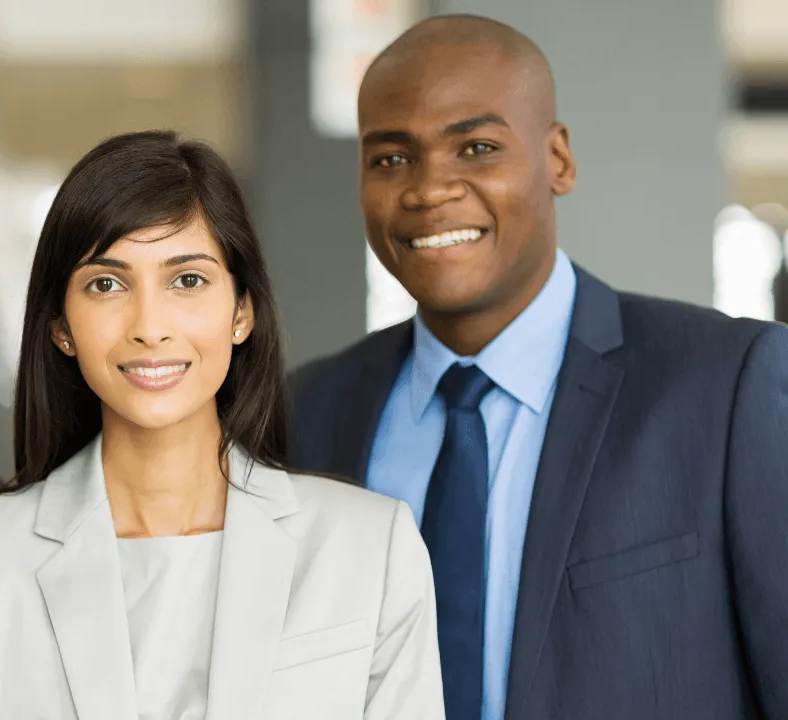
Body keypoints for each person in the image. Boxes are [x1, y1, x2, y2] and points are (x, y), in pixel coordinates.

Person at [288, 14, 788, 720]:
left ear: (558, 160)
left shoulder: (728, 385)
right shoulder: (310, 410)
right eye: (391, 159)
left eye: (477, 147)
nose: (429, 188)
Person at [0, 130, 444, 719]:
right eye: (106, 284)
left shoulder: (369, 546)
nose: (150, 326)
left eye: (187, 280)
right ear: (61, 326)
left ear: (242, 312)